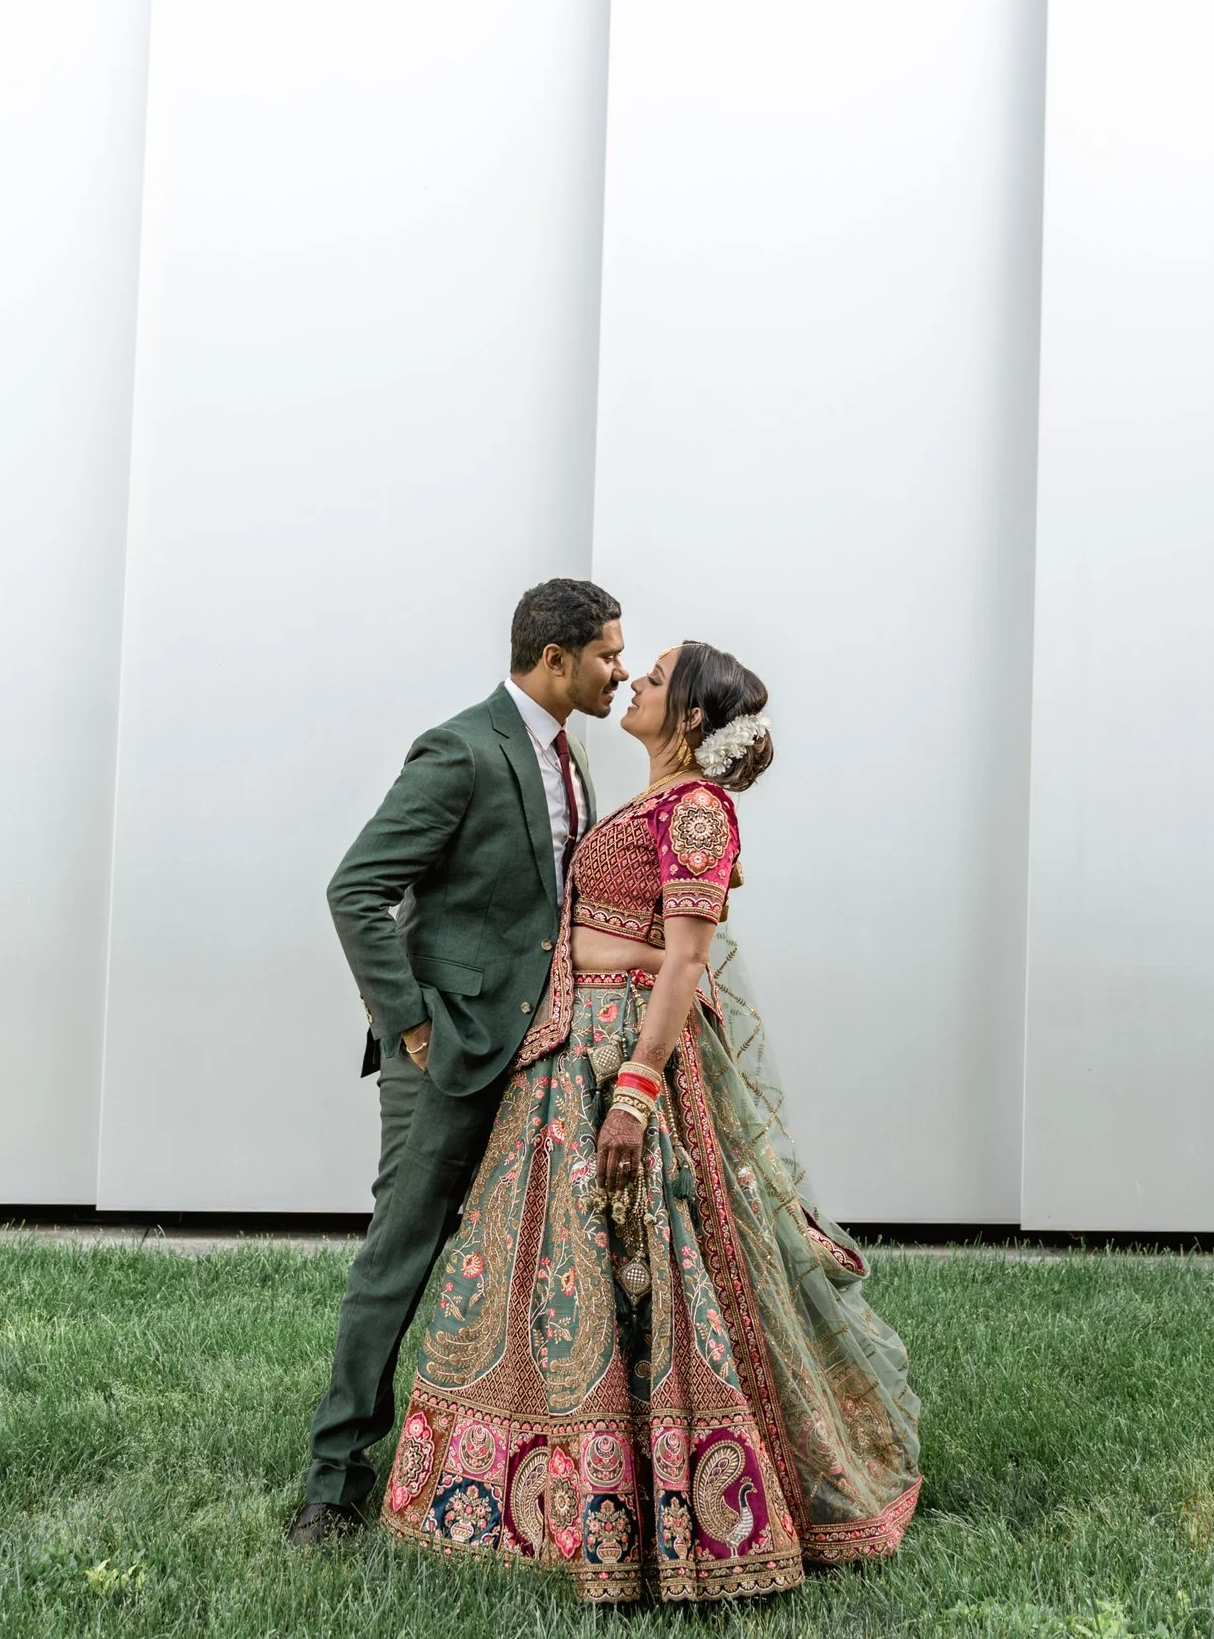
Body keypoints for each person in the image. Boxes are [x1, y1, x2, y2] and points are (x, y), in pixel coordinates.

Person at [377, 640, 922, 1602]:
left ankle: (674, 1497)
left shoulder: (698, 809)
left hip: (626, 1055)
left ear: (694, 717)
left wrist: (634, 1090)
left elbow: (683, 960)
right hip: (568, 1053)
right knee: (564, 1265)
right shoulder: (643, 798)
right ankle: (553, 1485)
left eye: (657, 675)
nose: (634, 680)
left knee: (653, 1266)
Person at [287, 578, 629, 1546]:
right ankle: (332, 1479)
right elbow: (356, 888)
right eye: (606, 653)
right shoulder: (460, 749)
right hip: (448, 1054)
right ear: (554, 659)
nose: (619, 669)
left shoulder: (569, 755)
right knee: (399, 1255)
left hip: (539, 1054)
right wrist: (412, 1027)